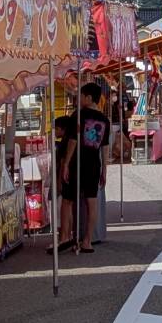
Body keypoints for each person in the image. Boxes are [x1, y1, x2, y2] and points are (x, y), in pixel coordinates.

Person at [54, 82, 111, 254]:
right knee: (91, 202)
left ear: (88, 97)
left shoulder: (78, 115)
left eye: (81, 95)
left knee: (67, 200)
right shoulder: (104, 120)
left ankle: (65, 237)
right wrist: (104, 171)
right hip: (94, 165)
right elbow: (105, 147)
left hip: (76, 163)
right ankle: (87, 241)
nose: (78, 98)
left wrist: (65, 164)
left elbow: (72, 140)